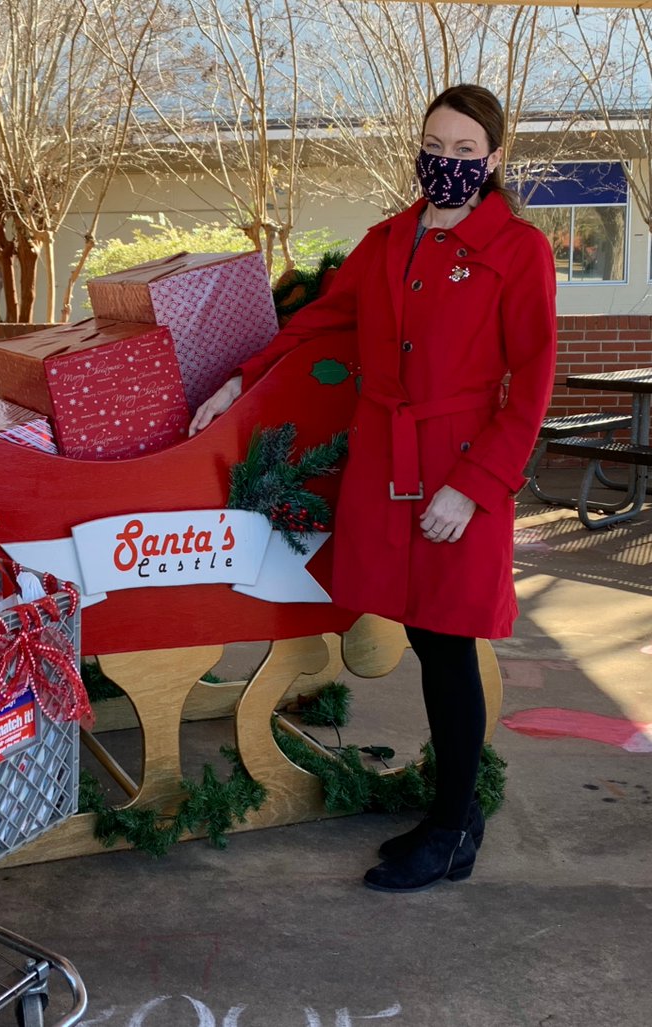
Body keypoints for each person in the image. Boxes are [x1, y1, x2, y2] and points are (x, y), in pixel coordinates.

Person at [191, 84, 558, 893]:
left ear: (495, 160)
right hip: (386, 466)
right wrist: (238, 382)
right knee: (425, 638)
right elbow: (320, 319)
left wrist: (478, 484)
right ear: (418, 145)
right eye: (437, 144)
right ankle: (446, 816)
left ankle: (456, 828)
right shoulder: (390, 239)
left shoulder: (519, 251)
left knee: (450, 643)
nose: (449, 163)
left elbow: (531, 382)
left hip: (461, 474)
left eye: (468, 152)